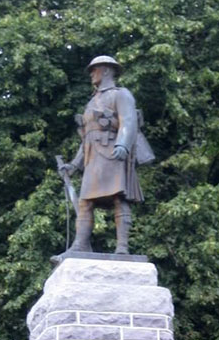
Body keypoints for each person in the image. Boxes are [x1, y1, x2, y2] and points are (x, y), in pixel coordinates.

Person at [60, 55, 152, 254]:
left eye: (95, 69)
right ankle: (80, 244)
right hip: (93, 157)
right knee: (85, 202)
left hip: (113, 152)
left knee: (119, 198)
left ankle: (122, 247)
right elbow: (87, 138)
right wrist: (75, 165)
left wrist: (123, 145)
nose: (92, 74)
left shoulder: (121, 94)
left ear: (107, 70)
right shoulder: (92, 101)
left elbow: (128, 122)